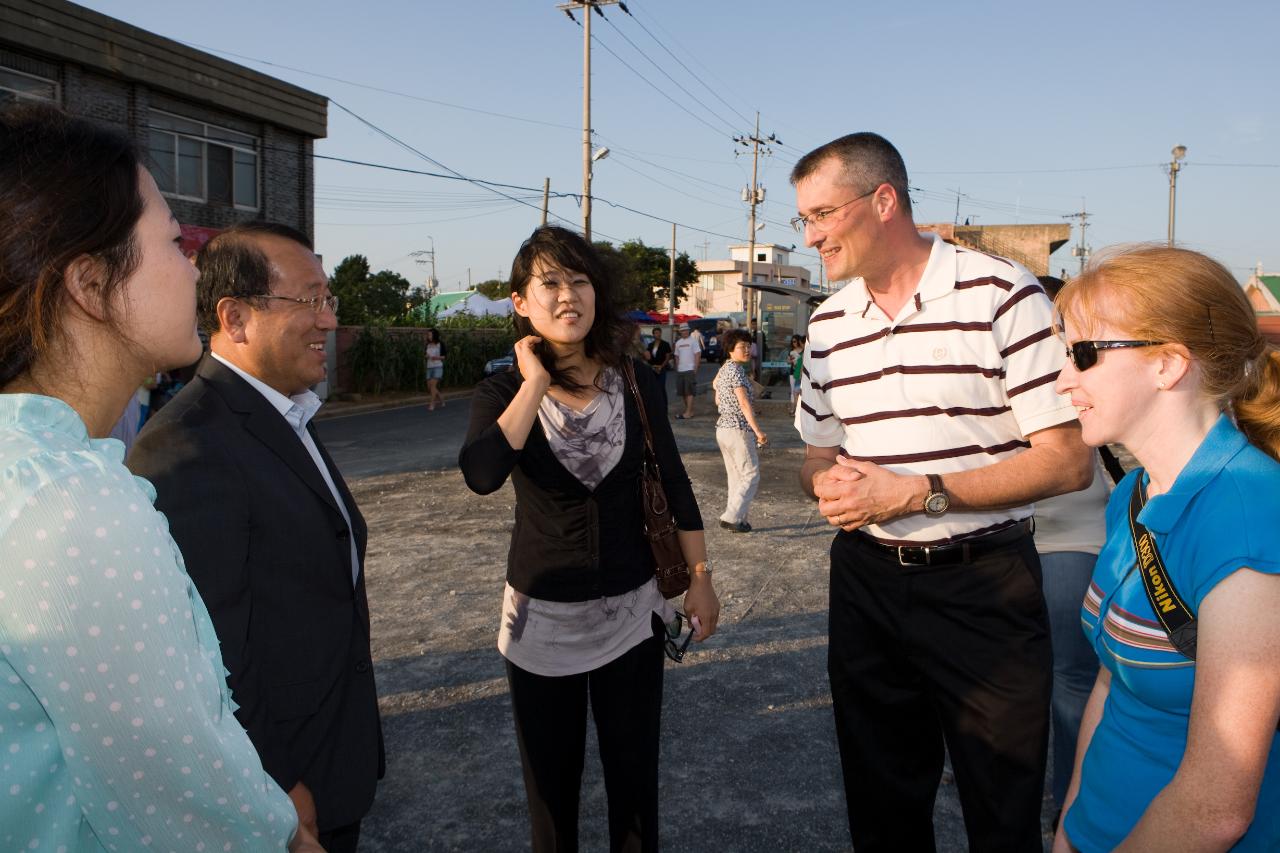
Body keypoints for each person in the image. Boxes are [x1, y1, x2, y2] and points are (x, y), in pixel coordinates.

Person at [0, 104, 317, 851]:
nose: (196, 267)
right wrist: (285, 833)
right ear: (89, 282)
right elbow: (181, 798)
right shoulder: (73, 506)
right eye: (174, 243)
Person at [790, 132, 1093, 851]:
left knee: (1002, 805)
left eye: (823, 214)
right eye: (803, 219)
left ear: (883, 200)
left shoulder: (1001, 294)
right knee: (881, 804)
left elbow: (1066, 462)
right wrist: (828, 484)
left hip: (984, 585)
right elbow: (814, 455)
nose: (810, 236)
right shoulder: (828, 324)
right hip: (865, 583)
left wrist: (919, 492)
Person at [459, 226, 720, 852]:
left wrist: (701, 579)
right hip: (541, 625)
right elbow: (482, 474)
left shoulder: (634, 380)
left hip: (633, 614)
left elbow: (674, 482)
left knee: (634, 789)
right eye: (549, 282)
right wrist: (532, 383)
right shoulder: (502, 390)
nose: (567, 294)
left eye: (580, 281)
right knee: (552, 798)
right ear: (520, 302)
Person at [128, 221, 383, 853]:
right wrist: (276, 783)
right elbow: (212, 653)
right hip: (281, 791)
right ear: (235, 317)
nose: (328, 322)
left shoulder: (284, 410)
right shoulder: (188, 444)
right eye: (310, 300)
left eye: (330, 300)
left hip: (331, 755)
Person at [1052, 245, 1280, 852]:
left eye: (1082, 355)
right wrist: (1070, 828)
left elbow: (1215, 809)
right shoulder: (1134, 491)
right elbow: (1110, 684)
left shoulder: (1249, 521)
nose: (1061, 380)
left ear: (1169, 364)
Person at [1031, 275, 1110, 819]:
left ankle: (1066, 801)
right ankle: (1066, 801)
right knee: (1068, 679)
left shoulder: (1063, 369)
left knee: (1066, 680)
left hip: (1067, 537)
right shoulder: (1072, 362)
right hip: (1065, 537)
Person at [713, 328, 768, 533]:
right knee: (751, 474)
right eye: (741, 346)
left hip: (723, 428)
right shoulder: (735, 371)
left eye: (748, 345)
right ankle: (732, 516)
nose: (747, 349)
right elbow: (744, 404)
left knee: (736, 476)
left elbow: (715, 387)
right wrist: (759, 432)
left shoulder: (725, 369)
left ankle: (739, 519)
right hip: (738, 429)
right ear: (730, 349)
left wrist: (721, 399)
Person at [673, 321, 702, 419]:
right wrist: (677, 367)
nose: (684, 332)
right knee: (683, 392)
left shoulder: (693, 341)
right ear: (680, 332)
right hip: (681, 370)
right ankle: (689, 411)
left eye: (686, 330)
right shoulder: (678, 343)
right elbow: (676, 356)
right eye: (682, 331)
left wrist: (696, 368)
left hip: (690, 369)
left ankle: (688, 412)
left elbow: (697, 354)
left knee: (689, 391)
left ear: (689, 331)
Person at [646, 324, 672, 407]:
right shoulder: (650, 345)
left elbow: (667, 357)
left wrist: (661, 366)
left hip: (662, 368)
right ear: (653, 334)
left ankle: (664, 405)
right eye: (656, 333)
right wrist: (651, 366)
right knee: (653, 388)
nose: (658, 334)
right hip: (653, 368)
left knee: (661, 387)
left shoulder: (665, 344)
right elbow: (648, 357)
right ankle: (656, 405)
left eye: (659, 332)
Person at [425, 326, 446, 410]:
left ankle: (432, 404)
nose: (428, 336)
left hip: (437, 366)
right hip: (429, 366)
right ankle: (441, 398)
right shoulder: (428, 345)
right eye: (428, 335)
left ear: (434, 335)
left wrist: (436, 358)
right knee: (429, 387)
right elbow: (425, 354)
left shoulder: (440, 344)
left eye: (430, 335)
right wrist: (427, 356)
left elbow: (444, 357)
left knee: (433, 386)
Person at [787, 334, 805, 414]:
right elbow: (788, 361)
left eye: (795, 341)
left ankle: (797, 408)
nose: (793, 343)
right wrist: (791, 361)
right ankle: (793, 407)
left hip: (801, 373)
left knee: (799, 391)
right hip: (793, 372)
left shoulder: (803, 350)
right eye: (792, 341)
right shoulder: (791, 351)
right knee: (793, 390)